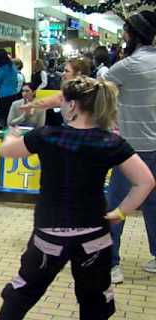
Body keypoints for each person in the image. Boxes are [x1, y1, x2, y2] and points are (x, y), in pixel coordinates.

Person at [0, 76, 155, 320]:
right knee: (94, 300)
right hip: (94, 237)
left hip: (49, 234)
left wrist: (9, 134)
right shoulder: (111, 142)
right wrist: (120, 212)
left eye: (63, 101)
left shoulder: (47, 136)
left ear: (71, 105)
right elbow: (145, 182)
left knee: (26, 288)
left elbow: (7, 152)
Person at [103, 10, 156, 284]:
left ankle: (112, 264)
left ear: (132, 35)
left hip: (130, 151)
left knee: (118, 206)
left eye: (125, 32)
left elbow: (97, 94)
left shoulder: (127, 66)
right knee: (154, 205)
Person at [0, 49, 19, 126]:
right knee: (12, 119)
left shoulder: (1, 69)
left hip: (4, 98)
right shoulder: (13, 66)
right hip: (14, 96)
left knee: (4, 120)